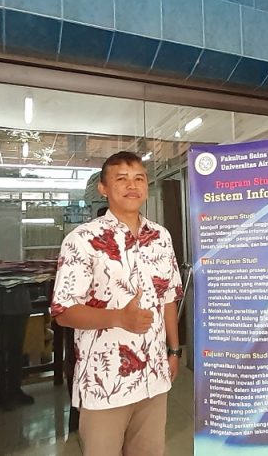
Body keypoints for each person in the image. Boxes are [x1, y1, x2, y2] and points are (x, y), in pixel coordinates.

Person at [51, 151, 183, 455]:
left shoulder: (161, 237)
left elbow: (169, 298)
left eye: (139, 178)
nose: (132, 185)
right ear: (103, 188)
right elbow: (63, 312)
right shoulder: (81, 239)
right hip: (104, 384)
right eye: (121, 179)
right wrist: (119, 318)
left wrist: (173, 350)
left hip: (154, 377)